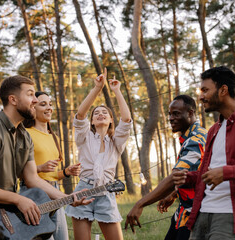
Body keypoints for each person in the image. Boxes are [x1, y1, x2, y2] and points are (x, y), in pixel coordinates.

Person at [0, 75, 93, 236]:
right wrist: (18, 199)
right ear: (13, 99)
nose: (35, 100)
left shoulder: (24, 137)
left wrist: (67, 197)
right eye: (30, 94)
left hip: (9, 216)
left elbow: (32, 178)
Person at [173, 66, 235, 239]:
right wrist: (189, 177)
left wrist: (227, 172)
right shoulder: (214, 129)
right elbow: (209, 174)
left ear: (223, 90)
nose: (200, 97)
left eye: (205, 90)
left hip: (230, 216)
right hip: (202, 213)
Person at [125, 95, 207, 240]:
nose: (170, 118)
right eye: (170, 114)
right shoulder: (197, 135)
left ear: (190, 113)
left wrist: (140, 203)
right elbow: (194, 173)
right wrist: (175, 193)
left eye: (176, 113)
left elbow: (175, 178)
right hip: (183, 212)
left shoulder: (195, 140)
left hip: (194, 216)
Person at [65, 68, 132, 240]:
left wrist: (116, 91)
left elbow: (126, 120)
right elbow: (80, 115)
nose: (100, 114)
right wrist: (97, 89)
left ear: (110, 120)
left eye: (105, 113)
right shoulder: (84, 137)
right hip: (83, 190)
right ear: (92, 121)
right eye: (96, 113)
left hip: (107, 192)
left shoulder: (116, 141)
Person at [22, 91, 81, 240]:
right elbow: (19, 170)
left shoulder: (53, 136)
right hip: (34, 193)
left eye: (50, 104)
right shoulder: (26, 134)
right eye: (43, 104)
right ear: (33, 108)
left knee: (62, 237)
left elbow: (52, 175)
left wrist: (66, 172)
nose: (49, 108)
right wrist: (40, 167)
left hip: (54, 191)